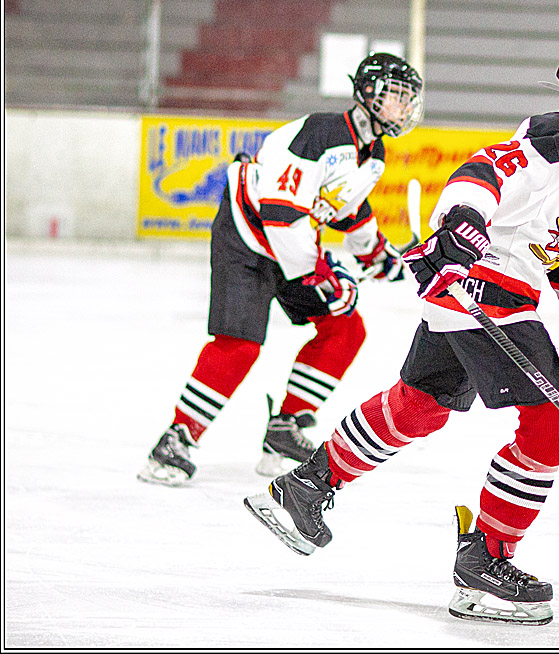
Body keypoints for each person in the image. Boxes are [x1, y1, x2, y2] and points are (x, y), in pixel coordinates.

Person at [243, 42, 559, 625]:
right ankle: (485, 561)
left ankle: (303, 489)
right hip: (487, 292)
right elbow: (482, 174)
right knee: (553, 428)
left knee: (419, 406)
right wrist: (461, 227)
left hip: (470, 296)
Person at [138, 53, 424, 487]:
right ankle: (176, 439)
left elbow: (347, 210)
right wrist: (322, 275)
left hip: (291, 248)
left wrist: (378, 256)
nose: (405, 108)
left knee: (345, 329)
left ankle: (283, 430)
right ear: (368, 94)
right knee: (240, 344)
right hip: (247, 237)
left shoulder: (374, 153)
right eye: (396, 96)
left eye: (408, 99)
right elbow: (280, 216)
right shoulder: (320, 134)